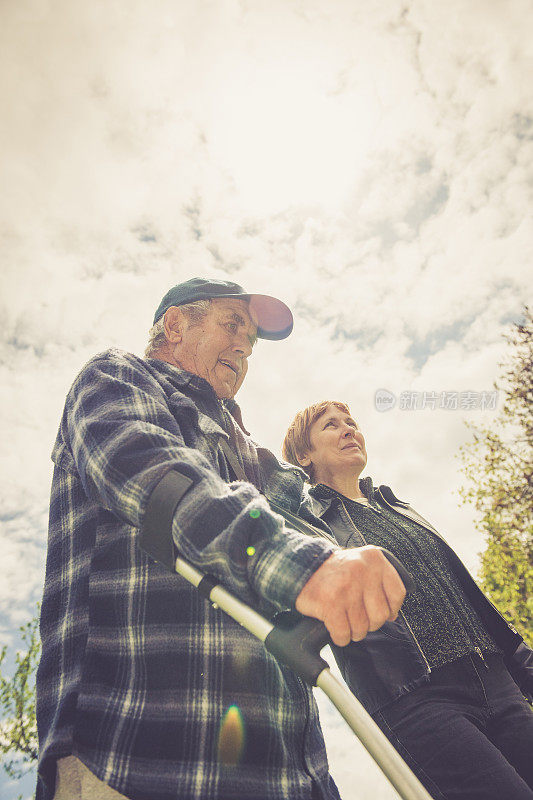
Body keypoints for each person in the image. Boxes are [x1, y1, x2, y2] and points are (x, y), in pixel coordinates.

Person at [35, 280, 407, 800]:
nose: (243, 347)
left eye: (251, 342)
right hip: (135, 758)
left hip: (286, 774)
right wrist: (304, 568)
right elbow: (157, 479)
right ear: (175, 325)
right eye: (232, 325)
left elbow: (321, 527)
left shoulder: (255, 457)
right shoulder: (118, 377)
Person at [282, 400, 533, 800]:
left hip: (497, 680)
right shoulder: (304, 522)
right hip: (418, 700)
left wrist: (521, 662)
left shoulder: (398, 507)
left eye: (352, 422)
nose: (349, 429)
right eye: (332, 426)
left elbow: (465, 594)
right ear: (303, 454)